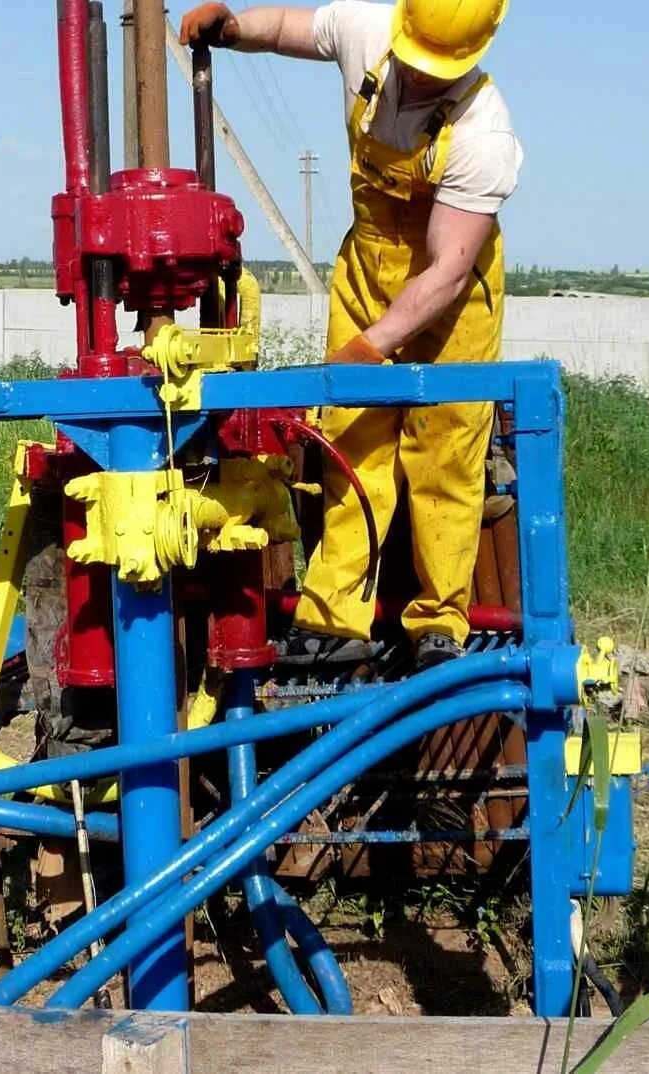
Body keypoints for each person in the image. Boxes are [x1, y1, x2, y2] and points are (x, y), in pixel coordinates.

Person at [180, 0, 523, 668]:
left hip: (451, 302)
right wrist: (232, 28)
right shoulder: (367, 30)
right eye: (416, 62)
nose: (421, 79)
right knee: (350, 438)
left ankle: (438, 624)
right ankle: (336, 614)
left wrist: (374, 345)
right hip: (370, 272)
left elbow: (449, 269)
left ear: (475, 54)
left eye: (438, 72)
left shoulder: (485, 134)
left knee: (445, 453)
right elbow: (289, 30)